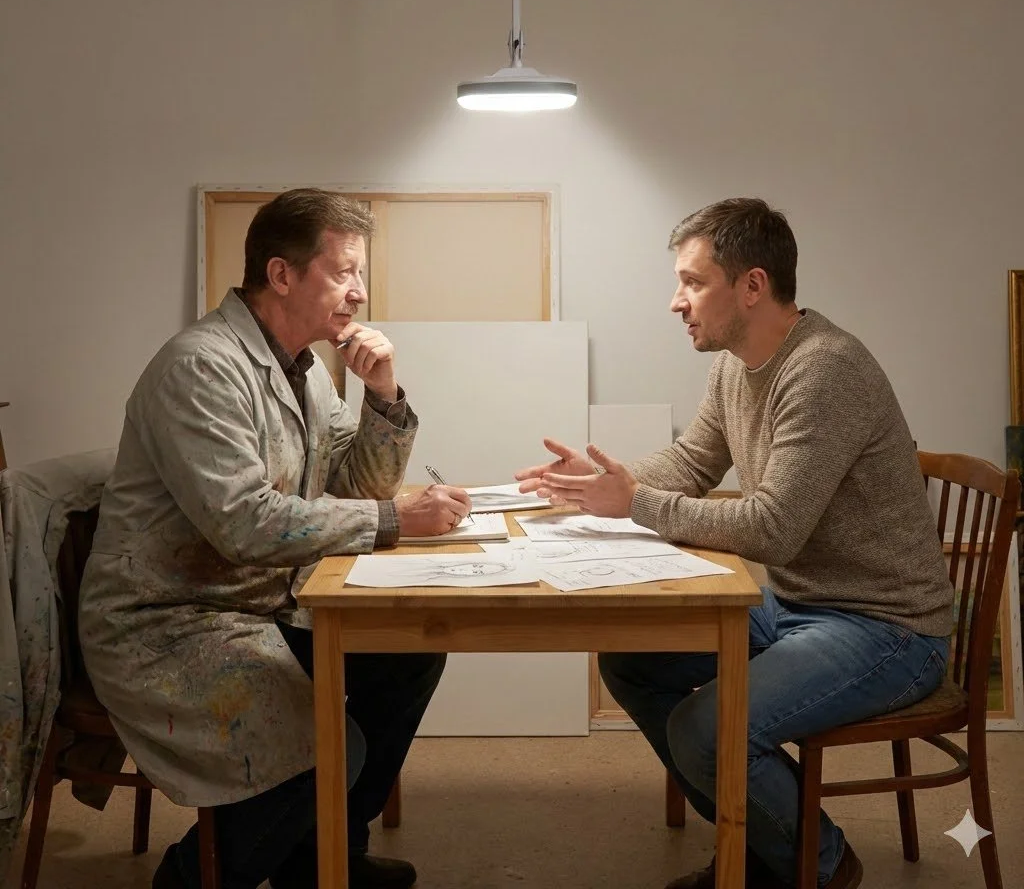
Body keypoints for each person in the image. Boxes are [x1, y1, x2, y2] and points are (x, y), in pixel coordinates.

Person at [515, 198, 953, 889]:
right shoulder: (735, 366)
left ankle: (820, 867)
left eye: (693, 282)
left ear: (752, 285)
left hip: (886, 629)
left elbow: (772, 529)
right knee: (633, 661)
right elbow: (692, 461)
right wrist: (606, 481)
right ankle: (758, 849)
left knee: (706, 729)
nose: (675, 301)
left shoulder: (826, 369)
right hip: (800, 608)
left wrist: (635, 504)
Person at [79, 188, 472, 889]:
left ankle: (327, 860)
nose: (360, 292)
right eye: (344, 271)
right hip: (168, 623)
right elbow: (244, 522)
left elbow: (359, 486)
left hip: (258, 604)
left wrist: (382, 396)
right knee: (324, 746)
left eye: (361, 274)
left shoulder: (305, 368)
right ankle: (187, 880)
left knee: (409, 655)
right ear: (282, 274)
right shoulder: (202, 366)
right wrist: (392, 525)